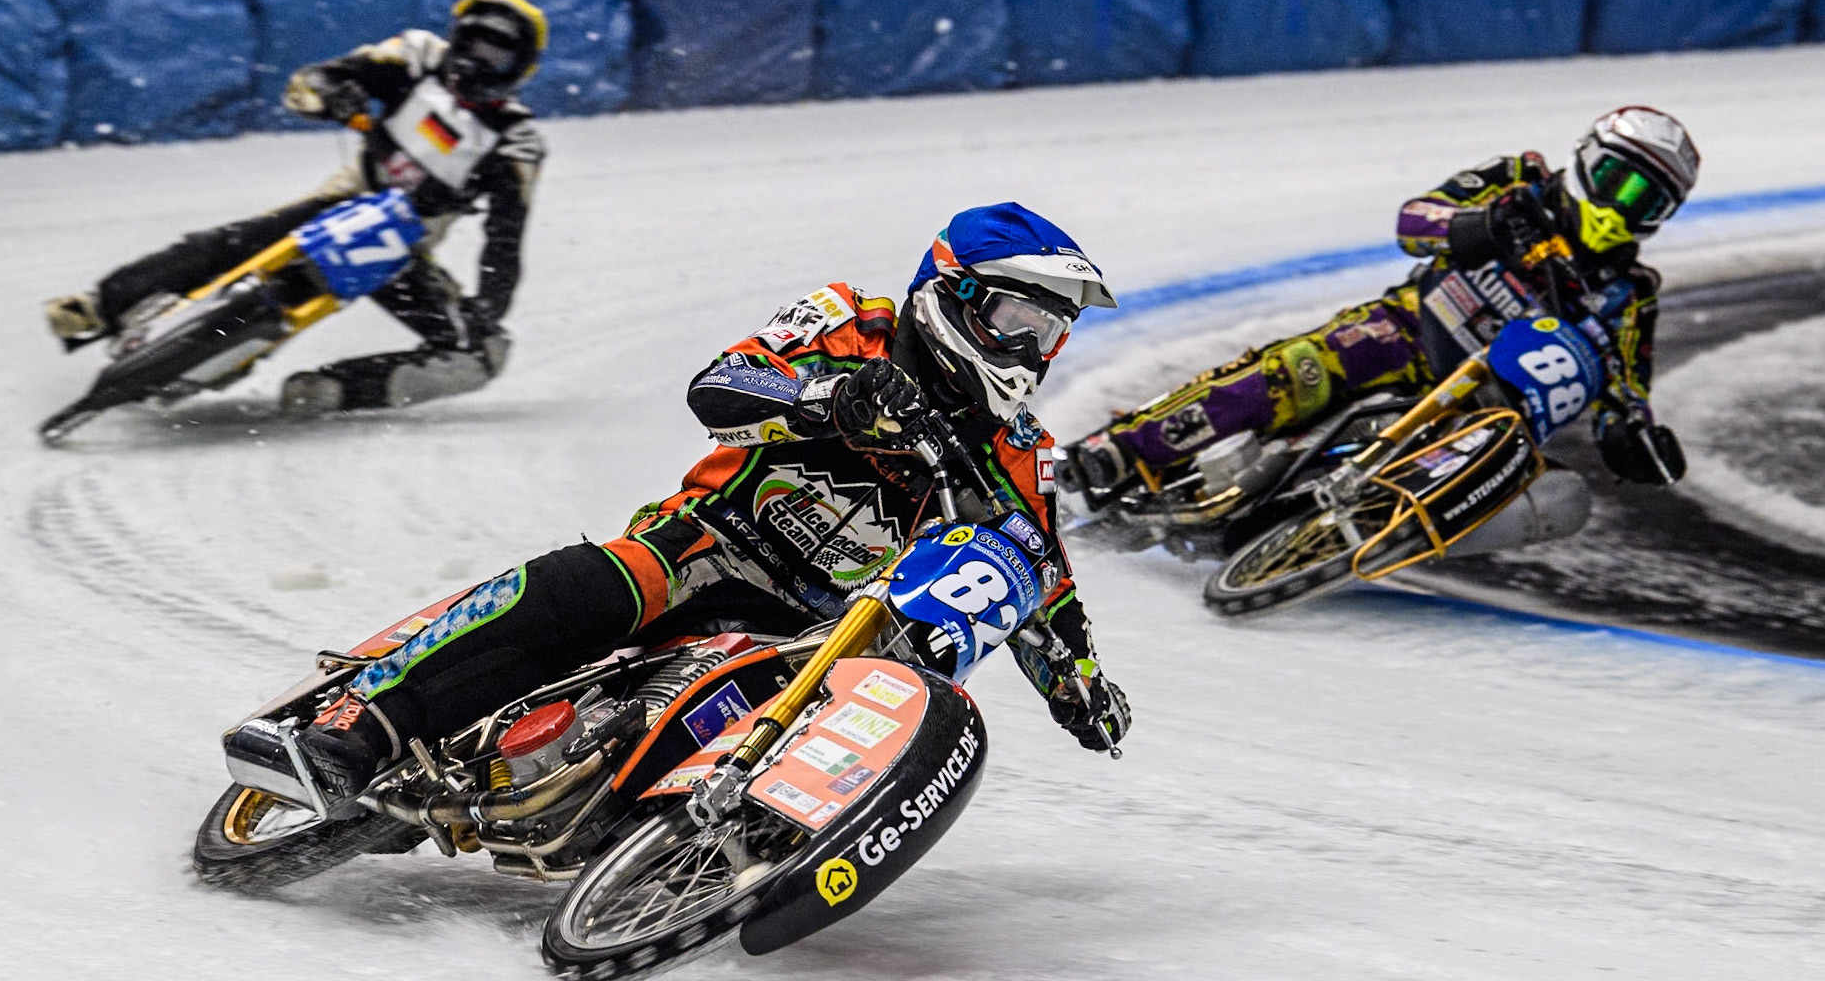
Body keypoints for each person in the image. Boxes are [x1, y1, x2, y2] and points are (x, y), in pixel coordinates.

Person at [264, 202, 1133, 807]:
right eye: (1019, 318)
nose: (1031, 349)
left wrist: (1080, 686)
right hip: (707, 544)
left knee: (853, 704)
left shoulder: (1016, 451)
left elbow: (1038, 577)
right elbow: (718, 385)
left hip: (811, 630)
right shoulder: (847, 320)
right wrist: (833, 400)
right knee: (595, 583)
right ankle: (364, 721)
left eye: (1051, 332)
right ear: (955, 294)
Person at [1060, 107, 1699, 505]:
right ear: (1588, 159)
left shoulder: (1630, 294)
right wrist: (1476, 226)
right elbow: (1414, 220)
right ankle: (1117, 452)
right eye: (1621, 184)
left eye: (1648, 203)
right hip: (1410, 329)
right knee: (1292, 373)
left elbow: (1626, 391)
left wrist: (1633, 439)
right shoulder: (1520, 180)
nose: (1623, 210)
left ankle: (1364, 527)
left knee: (1553, 492)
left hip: (1490, 407)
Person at [42, 0, 548, 416]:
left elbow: (505, 240)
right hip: (347, 196)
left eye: (497, 55)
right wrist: (334, 94)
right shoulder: (416, 56)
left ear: (520, 68)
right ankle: (102, 306)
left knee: (484, 354)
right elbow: (315, 78)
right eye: (474, 45)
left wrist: (487, 307)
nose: (478, 62)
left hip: (404, 248)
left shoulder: (518, 142)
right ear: (456, 39)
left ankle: (336, 390)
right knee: (237, 242)